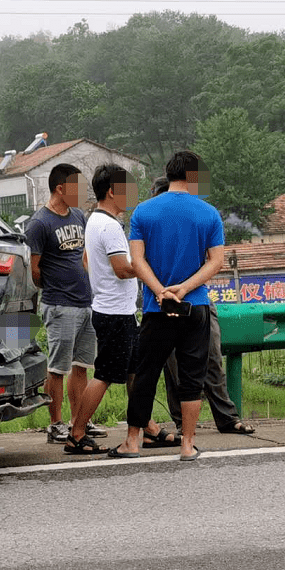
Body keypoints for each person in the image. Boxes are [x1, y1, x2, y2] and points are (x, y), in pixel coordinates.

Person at [110, 150, 225, 461]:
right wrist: (186, 287)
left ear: (170, 174)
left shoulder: (143, 213)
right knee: (192, 377)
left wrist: (161, 291)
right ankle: (187, 445)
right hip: (196, 306)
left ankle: (133, 442)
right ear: (193, 176)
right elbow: (216, 261)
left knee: (146, 373)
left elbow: (137, 260)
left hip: (156, 308)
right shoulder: (209, 213)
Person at [65, 164, 180, 453]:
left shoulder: (94, 220)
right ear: (112, 191)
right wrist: (147, 268)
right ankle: (76, 434)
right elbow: (122, 269)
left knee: (134, 374)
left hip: (112, 309)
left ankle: (149, 428)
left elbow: (90, 262)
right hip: (115, 314)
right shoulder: (111, 226)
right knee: (104, 375)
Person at [149, 176, 255, 436]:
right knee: (174, 369)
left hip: (199, 300)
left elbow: (213, 259)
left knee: (212, 359)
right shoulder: (149, 223)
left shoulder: (198, 219)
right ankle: (182, 424)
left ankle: (227, 418)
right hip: (163, 302)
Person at [25, 163, 106, 444]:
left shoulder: (79, 216)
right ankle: (55, 423)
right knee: (58, 367)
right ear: (61, 188)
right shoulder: (39, 223)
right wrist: (56, 288)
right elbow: (34, 270)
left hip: (85, 303)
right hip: (60, 304)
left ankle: (79, 420)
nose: (82, 192)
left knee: (81, 365)